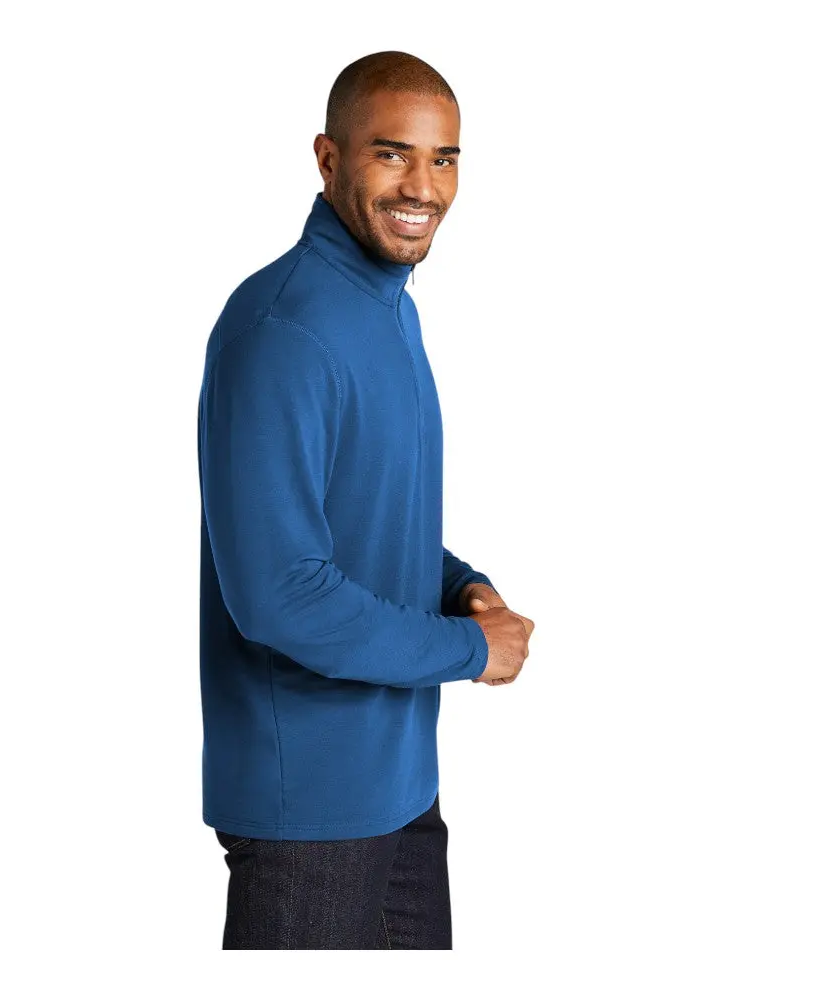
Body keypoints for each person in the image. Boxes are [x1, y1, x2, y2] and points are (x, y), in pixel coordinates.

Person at [196, 50, 535, 949]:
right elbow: (281, 594)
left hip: (403, 783)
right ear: (328, 158)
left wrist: (459, 584)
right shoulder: (282, 330)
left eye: (444, 158)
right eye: (392, 154)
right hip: (309, 812)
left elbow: (363, 516)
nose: (423, 186)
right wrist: (470, 649)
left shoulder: (388, 310)